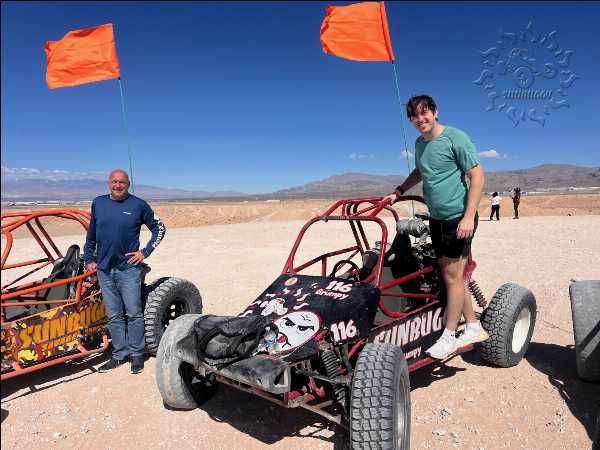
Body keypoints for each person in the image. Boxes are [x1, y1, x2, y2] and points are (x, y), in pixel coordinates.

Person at [384, 95, 488, 359]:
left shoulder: (455, 137)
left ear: (435, 112)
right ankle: (473, 325)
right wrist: (399, 191)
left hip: (458, 218)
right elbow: (420, 171)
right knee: (451, 274)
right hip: (438, 219)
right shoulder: (420, 144)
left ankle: (449, 336)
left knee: (453, 276)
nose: (421, 119)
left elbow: (477, 176)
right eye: (415, 116)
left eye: (425, 113)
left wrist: (468, 217)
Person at [84, 169, 166, 374]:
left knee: (134, 313)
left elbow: (160, 228)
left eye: (122, 182)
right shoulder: (98, 203)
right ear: (108, 183)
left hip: (128, 269)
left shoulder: (138, 205)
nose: (118, 185)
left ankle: (137, 354)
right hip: (104, 269)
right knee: (114, 315)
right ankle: (120, 354)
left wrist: (145, 252)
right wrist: (89, 259)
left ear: (128, 184)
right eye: (114, 181)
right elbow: (91, 235)